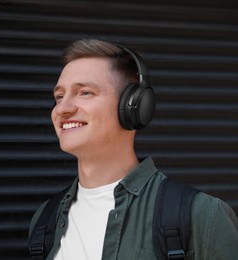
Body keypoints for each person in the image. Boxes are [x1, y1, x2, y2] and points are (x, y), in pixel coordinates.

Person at [29, 39, 238, 260]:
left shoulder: (202, 216)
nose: (62, 108)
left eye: (85, 93)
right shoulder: (45, 218)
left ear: (133, 106)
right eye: (59, 97)